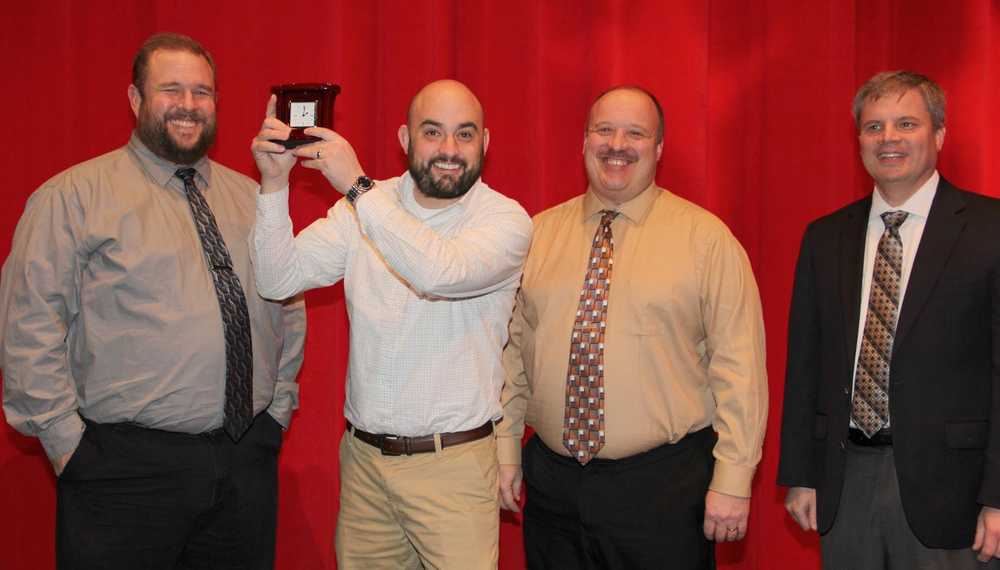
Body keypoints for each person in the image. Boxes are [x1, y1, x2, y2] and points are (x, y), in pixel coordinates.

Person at [0, 32, 306, 570]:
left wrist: (276, 410)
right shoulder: (72, 198)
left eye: (202, 92)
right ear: (136, 100)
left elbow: (289, 303)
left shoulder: (256, 199)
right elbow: (28, 325)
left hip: (244, 466)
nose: (188, 105)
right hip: (122, 474)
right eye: (171, 90)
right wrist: (66, 444)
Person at [249, 79, 531, 569]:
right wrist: (274, 186)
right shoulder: (365, 207)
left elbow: (437, 272)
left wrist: (357, 187)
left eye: (465, 135)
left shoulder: (506, 221)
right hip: (364, 467)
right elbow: (277, 279)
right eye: (433, 132)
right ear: (404, 140)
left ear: (485, 144)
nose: (449, 150)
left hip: (456, 471)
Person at [498, 85, 768, 569]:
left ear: (659, 148)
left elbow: (740, 367)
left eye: (635, 133)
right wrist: (504, 448)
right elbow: (512, 353)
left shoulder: (707, 241)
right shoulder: (534, 237)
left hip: (663, 489)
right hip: (553, 487)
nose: (617, 144)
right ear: (584, 141)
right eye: (604, 130)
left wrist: (733, 478)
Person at [778, 70, 1000, 568]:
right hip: (845, 478)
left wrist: (998, 495)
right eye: (873, 127)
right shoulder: (825, 237)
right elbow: (805, 364)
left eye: (906, 123)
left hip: (956, 491)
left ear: (939, 134)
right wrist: (802, 471)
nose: (889, 139)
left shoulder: (991, 230)